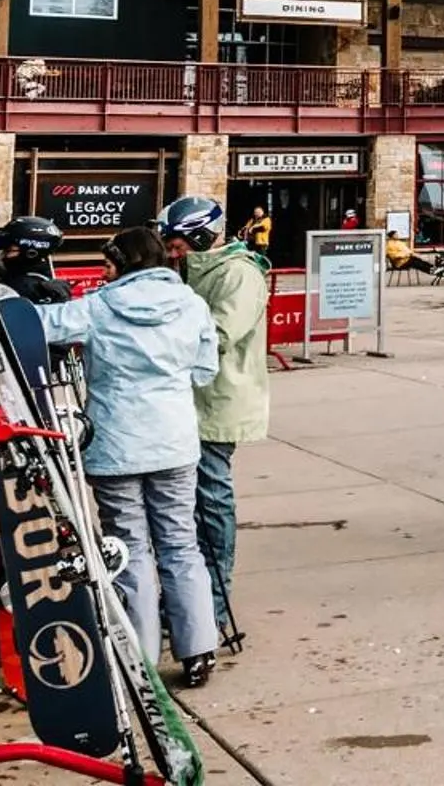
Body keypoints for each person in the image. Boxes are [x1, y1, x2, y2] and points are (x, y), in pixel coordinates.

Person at [35, 223, 222, 687]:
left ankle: (140, 653)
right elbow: (204, 371)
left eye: (109, 263)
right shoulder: (193, 305)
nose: (105, 272)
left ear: (122, 263)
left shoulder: (97, 307)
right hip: (176, 441)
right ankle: (199, 649)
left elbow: (41, 325)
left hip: (117, 444)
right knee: (181, 543)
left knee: (130, 546)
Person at [165, 195, 267, 658]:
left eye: (180, 244)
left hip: (219, 403)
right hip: (185, 402)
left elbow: (220, 335)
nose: (172, 252)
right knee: (181, 508)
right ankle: (186, 601)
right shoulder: (189, 271)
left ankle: (213, 605)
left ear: (204, 238)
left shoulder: (238, 274)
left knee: (210, 500)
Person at [0, 216, 74, 304]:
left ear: (31, 254)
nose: (2, 255)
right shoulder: (40, 275)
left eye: (8, 250)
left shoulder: (23, 288)